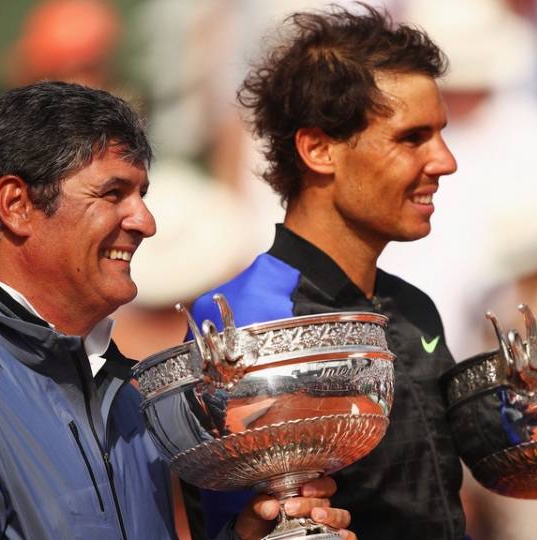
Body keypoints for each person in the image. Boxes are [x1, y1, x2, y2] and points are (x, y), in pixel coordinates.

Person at [0, 81, 352, 540]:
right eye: (113, 193)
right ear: (16, 204)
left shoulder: (117, 391)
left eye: (141, 194)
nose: (146, 221)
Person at [186, 5, 465, 539]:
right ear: (318, 149)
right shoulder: (244, 320)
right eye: (413, 138)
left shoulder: (414, 310)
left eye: (440, 134)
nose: (445, 160)